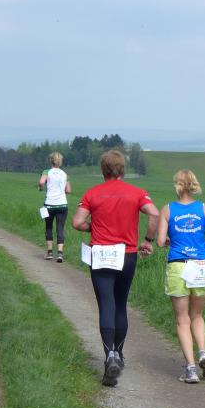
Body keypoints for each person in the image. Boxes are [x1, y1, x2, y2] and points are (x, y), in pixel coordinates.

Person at [72, 150, 159, 386]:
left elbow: (77, 222)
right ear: (122, 169)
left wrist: (93, 227)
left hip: (100, 255)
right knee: (121, 304)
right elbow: (154, 214)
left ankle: (109, 355)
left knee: (106, 305)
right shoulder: (137, 193)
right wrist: (147, 241)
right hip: (127, 254)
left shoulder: (92, 193)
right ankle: (119, 353)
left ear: (103, 170)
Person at [157, 169, 205, 383]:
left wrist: (170, 241)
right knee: (197, 315)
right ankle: (203, 353)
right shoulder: (204, 208)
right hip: (201, 265)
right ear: (194, 184)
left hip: (178, 266)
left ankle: (191, 370)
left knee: (182, 319)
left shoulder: (168, 209)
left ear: (177, 186)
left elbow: (160, 241)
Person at [38, 152, 71, 262]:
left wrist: (41, 188)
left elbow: (41, 182)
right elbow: (68, 190)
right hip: (62, 205)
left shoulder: (46, 172)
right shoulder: (65, 174)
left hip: (49, 204)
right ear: (60, 162)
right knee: (60, 228)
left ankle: (50, 253)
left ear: (50, 161)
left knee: (48, 227)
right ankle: (60, 254)